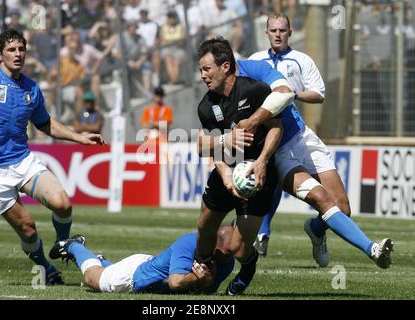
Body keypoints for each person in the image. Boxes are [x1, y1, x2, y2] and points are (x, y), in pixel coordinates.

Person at [236, 14, 394, 269]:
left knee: (342, 207)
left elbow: (318, 94)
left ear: (290, 32)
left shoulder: (301, 60)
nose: (278, 34)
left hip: (302, 136)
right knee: (280, 183)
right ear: (266, 33)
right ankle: (263, 233)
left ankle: (315, 229)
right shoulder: (255, 61)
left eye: (283, 30)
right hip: (279, 142)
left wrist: (289, 94)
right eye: (273, 30)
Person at [0, 29, 105, 285]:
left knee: (62, 203)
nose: (18, 54)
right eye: (11, 50)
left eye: (21, 49)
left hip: (23, 160)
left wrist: (79, 137)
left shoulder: (31, 87)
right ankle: (44, 265)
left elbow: (45, 123)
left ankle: (62, 243)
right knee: (28, 228)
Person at [195, 37, 286, 296]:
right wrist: (224, 171)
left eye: (206, 68)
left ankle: (248, 267)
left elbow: (275, 128)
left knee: (239, 248)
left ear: (225, 67)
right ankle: (201, 272)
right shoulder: (206, 106)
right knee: (204, 226)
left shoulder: (255, 91)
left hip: (257, 174)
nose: (203, 75)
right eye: (201, 69)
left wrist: (262, 162)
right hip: (226, 170)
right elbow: (202, 147)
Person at [49, 226, 235, 294]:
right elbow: (176, 283)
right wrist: (200, 278)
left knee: (104, 270)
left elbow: (205, 292)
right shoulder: (189, 242)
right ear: (216, 245)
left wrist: (206, 282)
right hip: (134, 277)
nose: (231, 255)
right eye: (228, 251)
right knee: (92, 279)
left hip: (148, 266)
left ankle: (98, 260)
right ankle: (74, 246)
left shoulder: (228, 261)